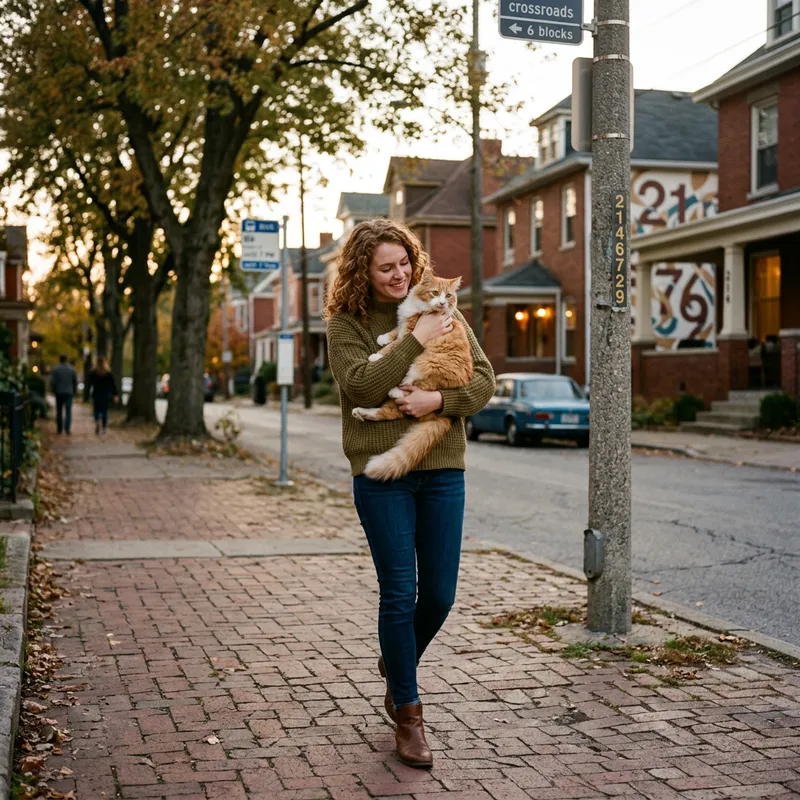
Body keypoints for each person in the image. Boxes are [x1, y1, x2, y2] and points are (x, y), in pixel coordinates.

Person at [324, 219, 495, 768]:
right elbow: (361, 384)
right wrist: (417, 339)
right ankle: (408, 713)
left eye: (404, 263)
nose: (399, 275)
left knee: (439, 595)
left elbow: (484, 380)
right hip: (381, 477)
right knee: (400, 593)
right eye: (386, 268)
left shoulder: (445, 308)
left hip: (441, 467)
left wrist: (438, 402)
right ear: (363, 272)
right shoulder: (345, 324)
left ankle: (396, 664)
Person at [88, 356, 118, 435]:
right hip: (106, 394)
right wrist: (115, 395)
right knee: (104, 411)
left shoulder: (93, 373)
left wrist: (87, 395)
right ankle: (104, 427)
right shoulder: (108, 374)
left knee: (96, 410)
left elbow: (89, 385)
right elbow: (113, 385)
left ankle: (97, 421)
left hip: (96, 394)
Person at [50, 354, 78, 435]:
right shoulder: (71, 369)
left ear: (60, 360)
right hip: (68, 392)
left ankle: (59, 428)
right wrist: (74, 391)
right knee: (68, 411)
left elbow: (52, 381)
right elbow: (74, 381)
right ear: (66, 359)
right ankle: (67, 428)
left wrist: (53, 390)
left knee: (59, 411)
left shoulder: (56, 369)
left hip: (59, 392)